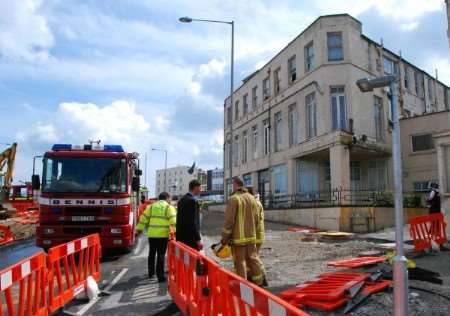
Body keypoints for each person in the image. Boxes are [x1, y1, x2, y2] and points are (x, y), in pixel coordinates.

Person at [222, 178, 264, 285]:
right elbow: (257, 219)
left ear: (235, 185)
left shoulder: (233, 199)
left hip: (238, 239)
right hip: (252, 237)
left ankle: (243, 287)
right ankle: (258, 283)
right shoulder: (252, 198)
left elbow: (229, 221)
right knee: (253, 260)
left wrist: (225, 237)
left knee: (240, 262)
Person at [136, 192, 176, 282]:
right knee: (161, 255)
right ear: (167, 198)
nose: (170, 200)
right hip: (163, 235)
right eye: (169, 199)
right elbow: (173, 222)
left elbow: (143, 218)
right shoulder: (169, 207)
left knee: (152, 254)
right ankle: (160, 276)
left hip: (152, 235)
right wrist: (175, 233)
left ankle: (151, 273)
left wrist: (139, 229)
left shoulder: (151, 207)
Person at [246, 186, 268, 287]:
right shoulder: (257, 202)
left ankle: (260, 280)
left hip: (256, 236)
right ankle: (255, 277)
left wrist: (250, 234)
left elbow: (256, 221)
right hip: (258, 235)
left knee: (254, 258)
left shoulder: (255, 203)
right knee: (254, 258)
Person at [176, 179, 202, 250]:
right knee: (193, 260)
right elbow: (193, 222)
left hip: (181, 238)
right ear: (196, 188)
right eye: (200, 188)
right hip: (191, 240)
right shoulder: (193, 201)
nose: (201, 190)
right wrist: (198, 240)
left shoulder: (181, 200)